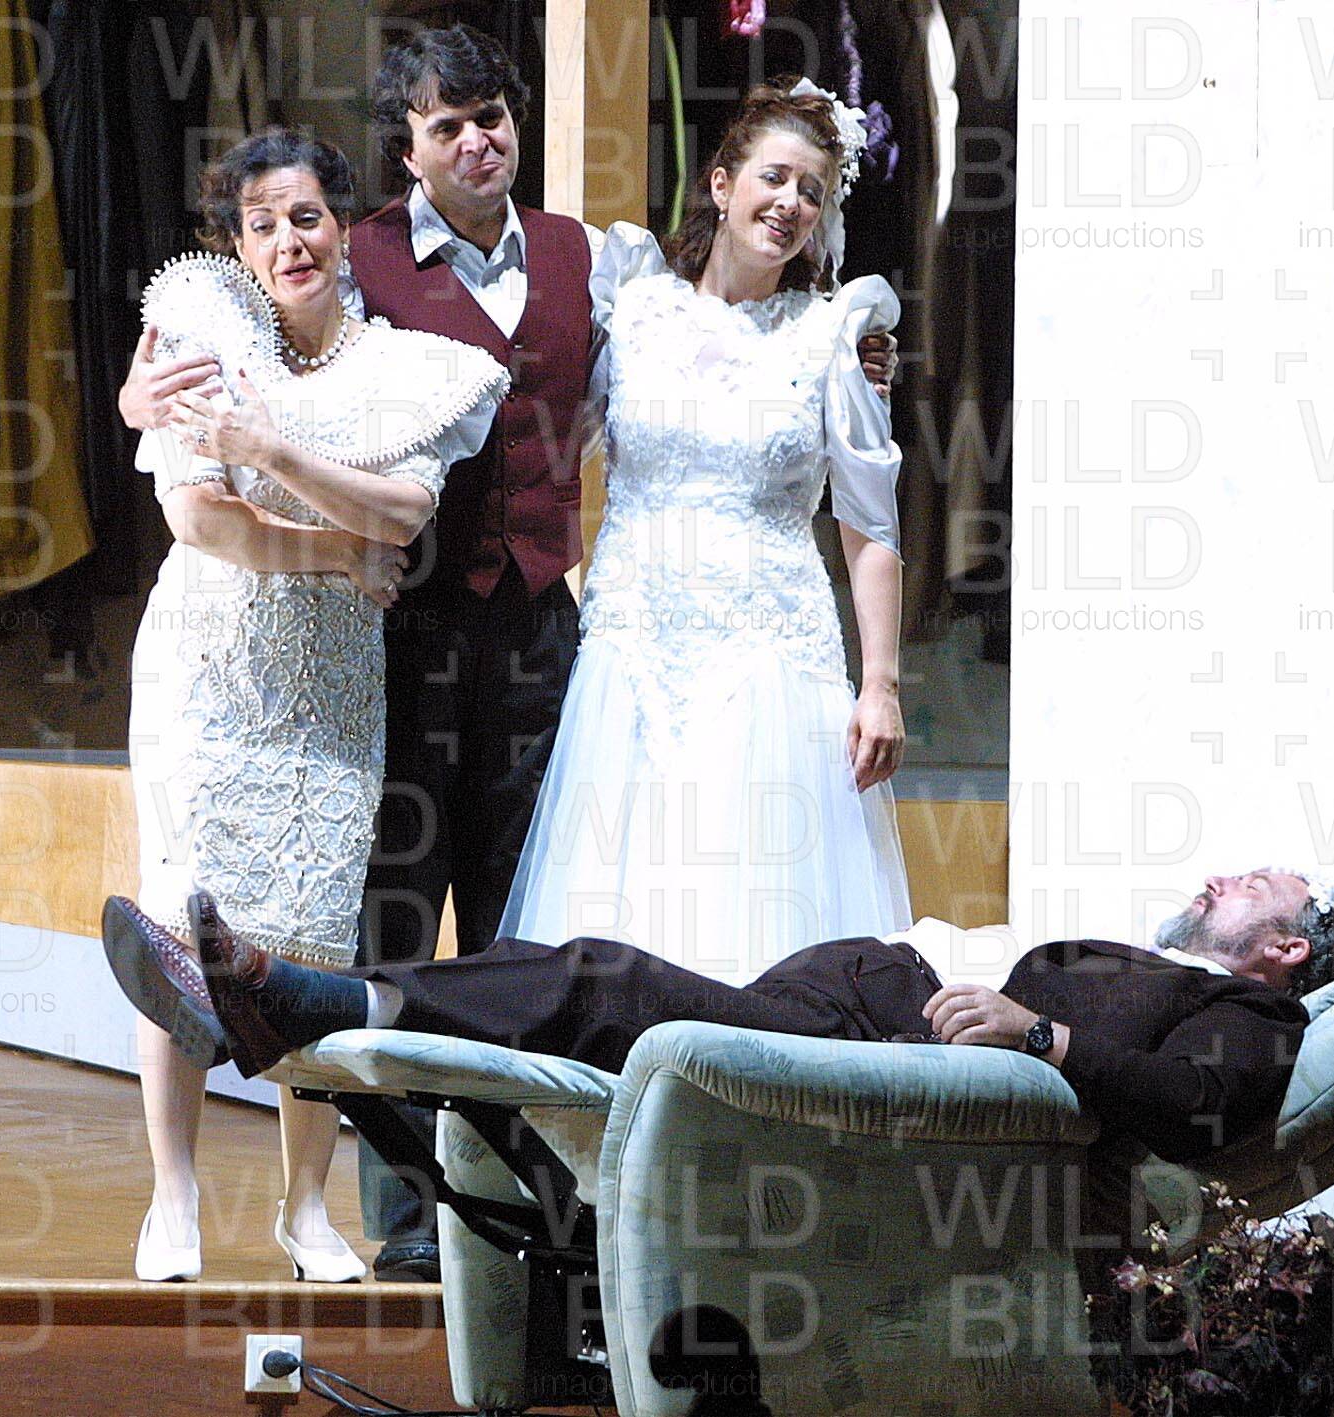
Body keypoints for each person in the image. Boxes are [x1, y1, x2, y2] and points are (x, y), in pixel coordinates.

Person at [120, 28, 897, 1283]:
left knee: (516, 919)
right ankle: (402, 1210)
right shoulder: (356, 254)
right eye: (447, 125)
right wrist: (139, 395)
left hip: (540, 627)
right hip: (396, 628)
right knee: (387, 910)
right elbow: (239, 332)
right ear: (408, 148)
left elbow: (716, 328)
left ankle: (519, 1204)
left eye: (492, 118)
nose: (477, 141)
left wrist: (850, 344)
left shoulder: (592, 261)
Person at [121, 128, 507, 1283]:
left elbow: (403, 511)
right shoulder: (200, 332)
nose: (287, 241)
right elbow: (199, 518)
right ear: (234, 244)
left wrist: (272, 450)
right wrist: (335, 550)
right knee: (181, 921)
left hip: (333, 682)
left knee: (309, 937)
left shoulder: (402, 368)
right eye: (261, 224)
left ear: (342, 226)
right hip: (208, 668)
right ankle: (173, 1194)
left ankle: (305, 1207)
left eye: (304, 217)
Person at [497, 77, 913, 983]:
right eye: (775, 177)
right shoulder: (632, 305)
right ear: (722, 184)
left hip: (769, 663)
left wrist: (880, 684)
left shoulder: (834, 337)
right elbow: (551, 427)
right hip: (634, 662)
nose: (792, 203)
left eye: (813, 191)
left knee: (755, 921)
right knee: (616, 916)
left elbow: (870, 524)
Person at [103, 869, 1334, 1168]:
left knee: (604, 988)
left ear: (1285, 948)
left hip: (891, 1061)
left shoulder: (1247, 1013)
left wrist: (1039, 1036)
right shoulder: (1167, 962)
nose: (1218, 879)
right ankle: (283, 1010)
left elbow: (1196, 1109)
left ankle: (286, 997)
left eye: (1253, 882)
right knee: (562, 990)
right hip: (851, 993)